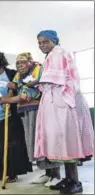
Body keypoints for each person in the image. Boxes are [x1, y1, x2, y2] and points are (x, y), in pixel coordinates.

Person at [34, 30, 94, 194]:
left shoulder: (60, 53)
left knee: (69, 141)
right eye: (39, 43)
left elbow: (64, 80)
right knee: (62, 142)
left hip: (67, 102)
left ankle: (76, 181)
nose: (42, 45)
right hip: (57, 103)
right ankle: (67, 179)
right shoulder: (50, 56)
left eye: (45, 42)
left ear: (54, 41)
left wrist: (37, 82)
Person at [0, 52, 62, 186]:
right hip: (25, 111)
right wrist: (12, 88)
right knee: (34, 143)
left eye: (22, 62)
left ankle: (56, 175)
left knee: (44, 141)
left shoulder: (38, 70)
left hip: (39, 110)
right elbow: (17, 86)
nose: (20, 66)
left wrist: (8, 99)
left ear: (30, 62)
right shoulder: (19, 74)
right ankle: (47, 173)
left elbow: (29, 93)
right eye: (17, 63)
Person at [0, 51, 32, 183]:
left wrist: (14, 89)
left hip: (9, 117)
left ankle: (12, 173)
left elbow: (22, 88)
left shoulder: (12, 74)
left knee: (10, 145)